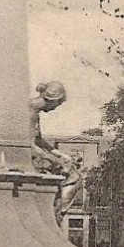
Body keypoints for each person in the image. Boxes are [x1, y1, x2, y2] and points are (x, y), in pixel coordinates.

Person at [29, 81, 83, 225]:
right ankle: (54, 217)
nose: (55, 109)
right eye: (57, 104)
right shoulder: (30, 112)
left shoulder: (34, 110)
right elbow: (29, 146)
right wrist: (55, 160)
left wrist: (61, 155)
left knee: (69, 172)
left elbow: (38, 140)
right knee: (74, 177)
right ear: (52, 99)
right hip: (28, 158)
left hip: (35, 154)